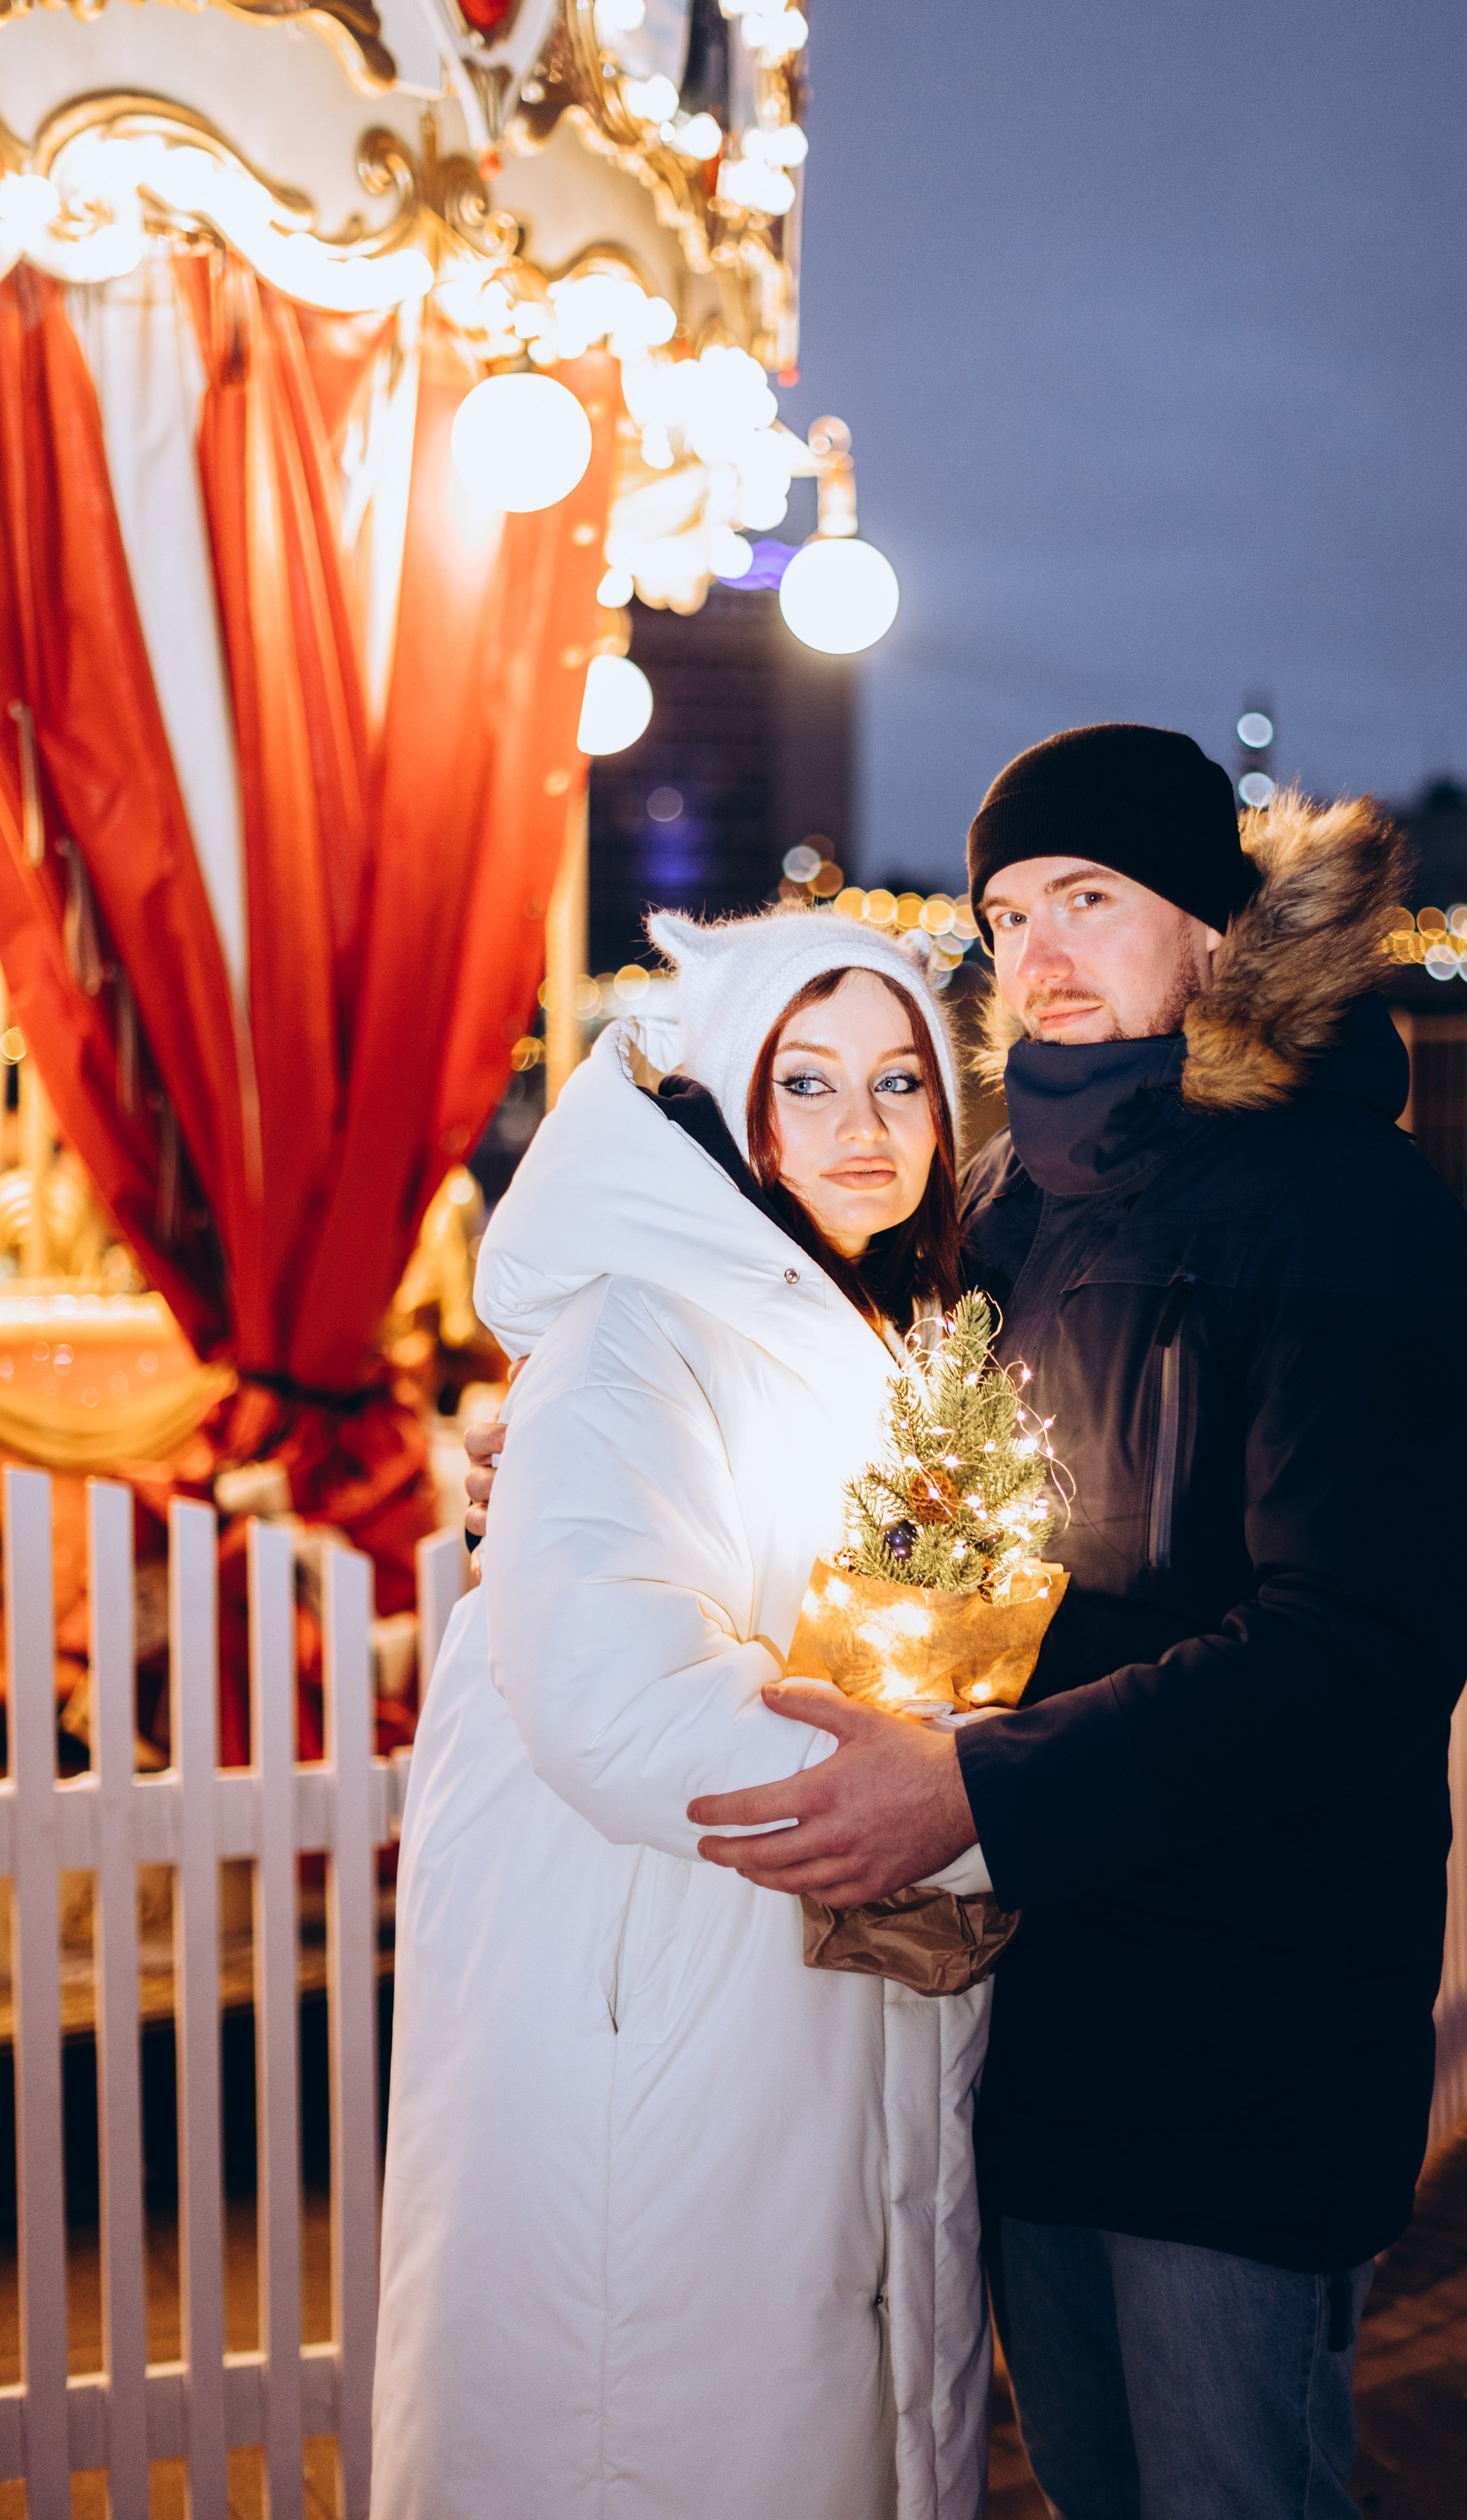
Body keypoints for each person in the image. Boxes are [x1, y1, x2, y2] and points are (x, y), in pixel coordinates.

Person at [688, 725, 1467, 2520]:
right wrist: (590, 1439)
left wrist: (978, 1793)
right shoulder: (1003, 1205)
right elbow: (858, 1444)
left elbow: (1352, 1655)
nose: (1039, 954)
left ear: (1213, 928)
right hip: (1032, 2004)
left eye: (1087, 898)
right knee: (1085, 2479)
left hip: (1248, 2019)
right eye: (1006, 916)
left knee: (1228, 2486)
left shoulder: (1349, 1217)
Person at [372, 906, 997, 2520]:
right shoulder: (639, 1326)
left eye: (899, 1082)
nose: (863, 1127)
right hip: (654, 1995)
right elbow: (612, 1691)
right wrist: (946, 1810)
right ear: (729, 1094)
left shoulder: (872, 1321)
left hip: (788, 1980)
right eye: (808, 1081)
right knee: (647, 2426)